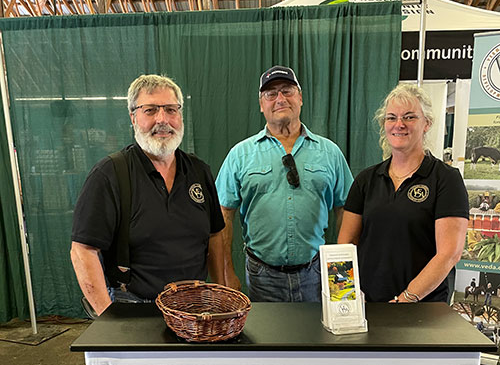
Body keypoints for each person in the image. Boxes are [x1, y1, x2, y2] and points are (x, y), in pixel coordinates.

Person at [71, 74, 225, 315]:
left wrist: (220, 294)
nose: (162, 120)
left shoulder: (198, 171)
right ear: (133, 117)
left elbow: (216, 235)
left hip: (196, 310)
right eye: (150, 110)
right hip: (133, 308)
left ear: (180, 116)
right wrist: (108, 318)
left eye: (170, 110)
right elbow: (83, 250)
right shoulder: (110, 174)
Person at [215, 65, 353, 302]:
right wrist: (227, 273)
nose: (280, 99)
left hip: (318, 273)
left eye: (287, 91)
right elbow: (222, 215)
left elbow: (348, 212)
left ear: (300, 98)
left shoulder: (330, 153)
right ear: (261, 105)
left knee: (318, 338)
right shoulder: (240, 154)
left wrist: (343, 274)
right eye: (271, 94)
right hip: (262, 278)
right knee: (267, 339)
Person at [337, 83, 469, 303]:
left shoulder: (445, 179)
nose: (399, 125)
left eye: (409, 117)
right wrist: (345, 296)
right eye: (391, 118)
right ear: (384, 124)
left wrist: (406, 299)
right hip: (369, 305)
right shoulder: (366, 179)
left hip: (422, 307)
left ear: (426, 123)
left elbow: (449, 253)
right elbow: (346, 243)